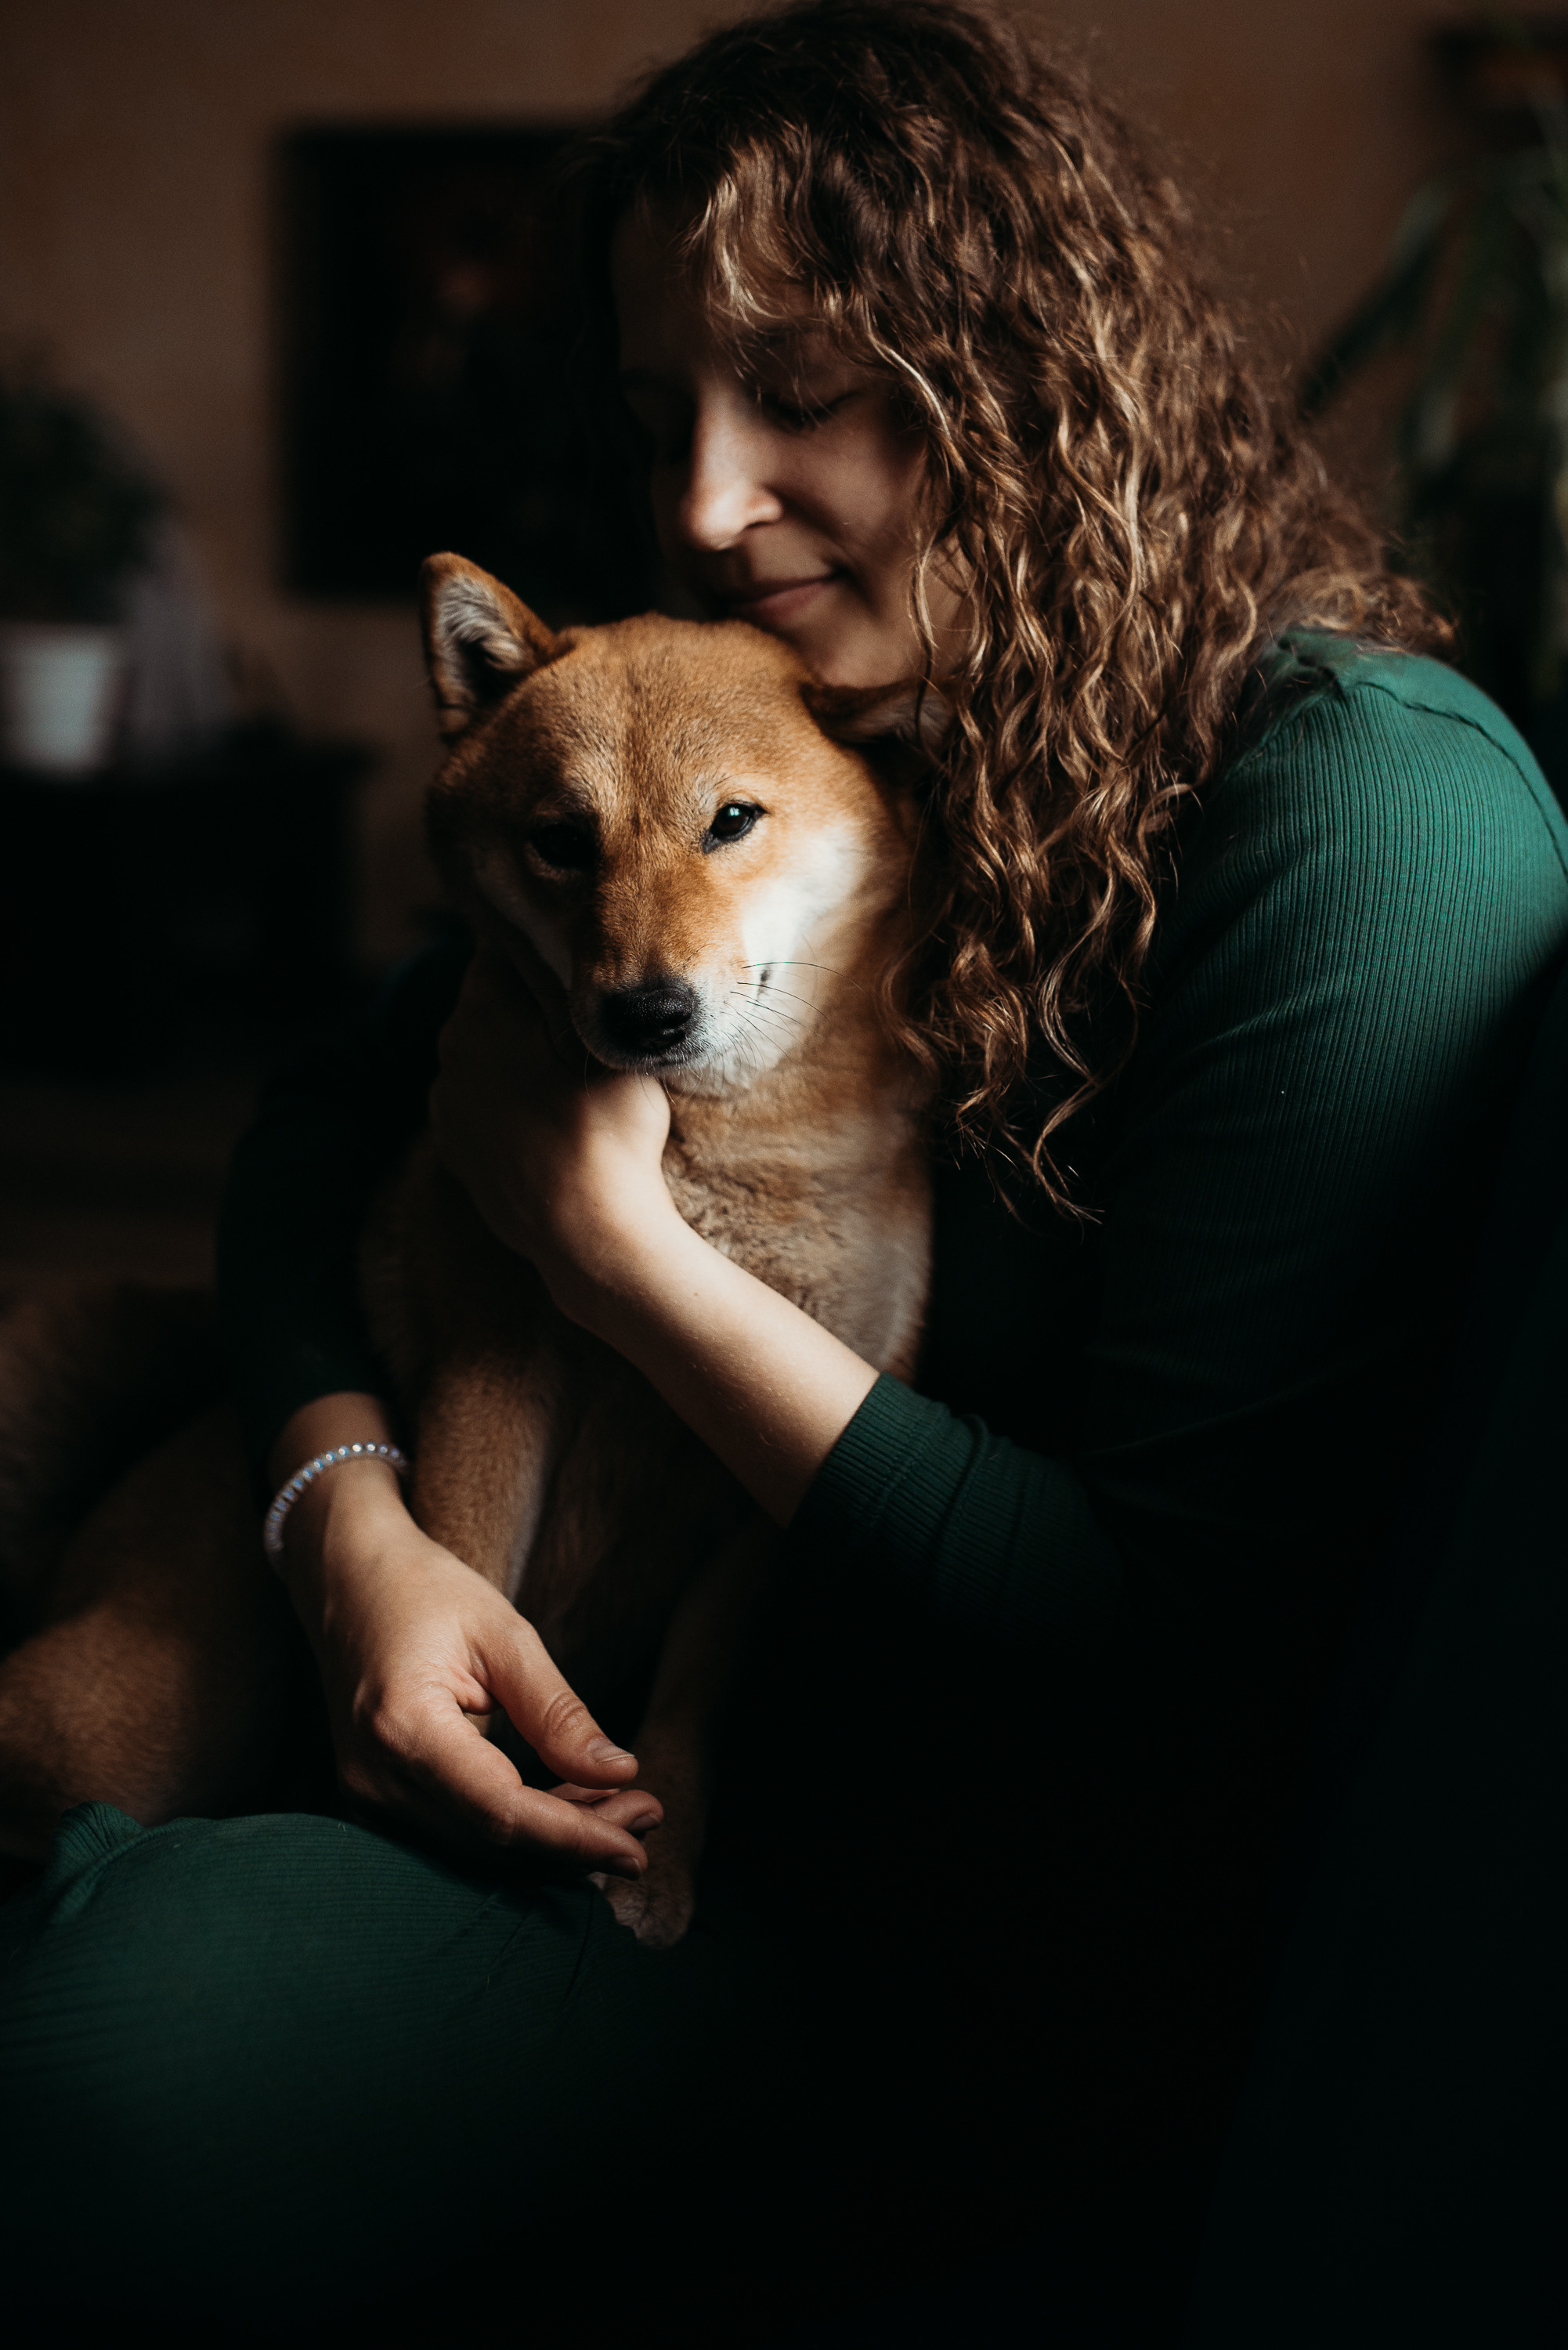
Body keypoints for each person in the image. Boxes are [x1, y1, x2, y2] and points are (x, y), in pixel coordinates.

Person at [2, 2, 1566, 2335]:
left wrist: (623, 1257)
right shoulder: (821, 721)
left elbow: (1191, 1671)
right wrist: (347, 1528)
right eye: (663, 424)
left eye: (806, 395)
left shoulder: (1358, 818)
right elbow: (330, 1125)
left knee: (98, 2039)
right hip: (615, 1726)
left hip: (981, 1918)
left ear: (1031, 367)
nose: (705, 508)